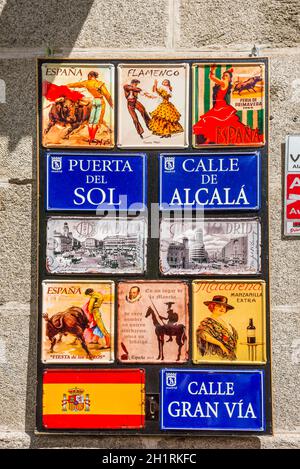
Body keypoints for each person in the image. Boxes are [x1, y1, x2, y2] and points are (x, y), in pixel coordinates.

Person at [193, 65, 255, 145]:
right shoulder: (222, 84)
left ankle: (209, 140)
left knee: (213, 122)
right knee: (218, 124)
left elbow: (212, 77)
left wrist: (212, 70)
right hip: (218, 105)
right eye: (224, 75)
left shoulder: (224, 83)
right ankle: (210, 139)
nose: (224, 76)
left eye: (226, 76)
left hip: (220, 106)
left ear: (229, 79)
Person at [67, 70, 113, 144]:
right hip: (100, 101)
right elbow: (107, 95)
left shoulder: (86, 83)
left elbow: (75, 84)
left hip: (94, 101)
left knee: (91, 121)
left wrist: (67, 85)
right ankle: (92, 138)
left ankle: (91, 138)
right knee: (96, 121)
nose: (88, 77)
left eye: (88, 76)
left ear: (90, 76)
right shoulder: (99, 84)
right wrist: (112, 105)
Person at [196, 295, 238, 359]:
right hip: (215, 354)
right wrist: (221, 345)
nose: (222, 308)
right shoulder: (207, 321)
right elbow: (202, 334)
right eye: (218, 306)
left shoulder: (226, 323)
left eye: (224, 306)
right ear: (212, 307)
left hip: (229, 355)